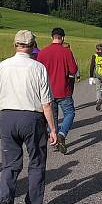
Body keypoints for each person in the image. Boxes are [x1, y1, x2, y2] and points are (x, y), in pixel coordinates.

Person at [0, 30, 57, 204]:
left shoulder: (2, 66)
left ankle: (4, 202)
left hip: (8, 117)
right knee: (36, 162)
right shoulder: (38, 68)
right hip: (32, 118)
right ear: (33, 45)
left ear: (14, 44)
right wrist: (52, 129)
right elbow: (47, 103)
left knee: (10, 164)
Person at [37, 27, 78, 155]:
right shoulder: (66, 52)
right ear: (63, 38)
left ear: (52, 37)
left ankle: (53, 141)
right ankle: (62, 133)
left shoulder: (43, 52)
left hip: (47, 91)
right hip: (64, 89)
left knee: (52, 117)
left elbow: (37, 72)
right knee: (70, 113)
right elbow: (73, 70)